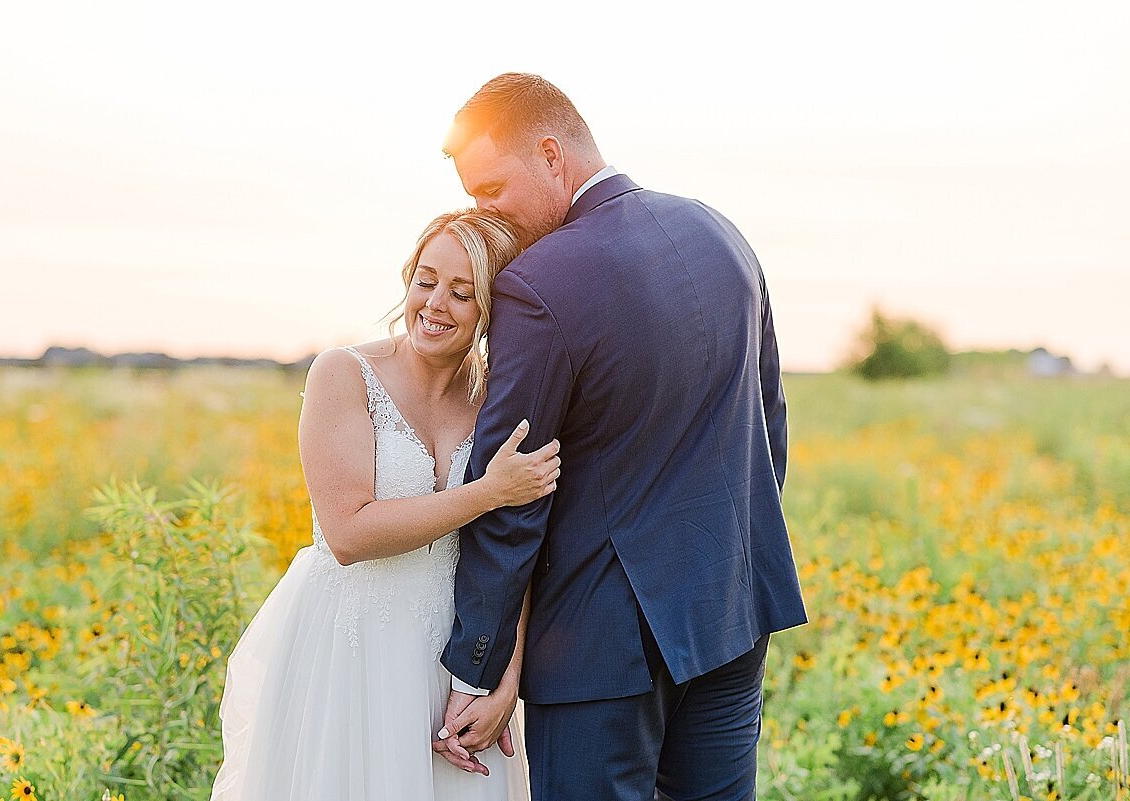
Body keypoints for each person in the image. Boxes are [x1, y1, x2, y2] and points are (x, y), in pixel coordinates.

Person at [434, 74, 808, 801]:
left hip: (599, 648)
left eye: (489, 189)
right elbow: (769, 424)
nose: (483, 211)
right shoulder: (719, 231)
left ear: (550, 154)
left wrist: (479, 663)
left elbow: (513, 486)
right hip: (730, 613)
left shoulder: (537, 282)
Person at [210, 208, 558, 801]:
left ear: (491, 311)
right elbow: (348, 533)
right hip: (351, 649)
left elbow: (515, 545)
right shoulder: (343, 374)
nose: (435, 304)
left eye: (462, 293)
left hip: (454, 654)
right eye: (425, 281)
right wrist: (487, 492)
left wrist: (503, 675)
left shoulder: (495, 400)